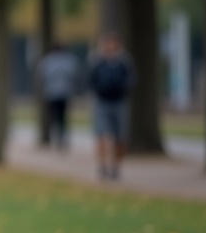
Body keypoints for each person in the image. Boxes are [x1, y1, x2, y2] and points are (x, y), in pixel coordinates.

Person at [88, 32, 134, 180]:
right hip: (102, 102)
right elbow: (90, 80)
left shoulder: (124, 62)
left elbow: (131, 80)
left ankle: (116, 167)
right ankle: (102, 166)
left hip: (119, 102)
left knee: (120, 138)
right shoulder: (97, 62)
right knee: (101, 135)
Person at [36, 41, 80, 150]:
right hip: (64, 92)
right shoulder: (69, 60)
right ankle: (61, 138)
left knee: (54, 117)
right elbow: (75, 75)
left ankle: (56, 138)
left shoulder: (47, 60)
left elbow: (41, 76)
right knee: (62, 117)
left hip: (51, 93)